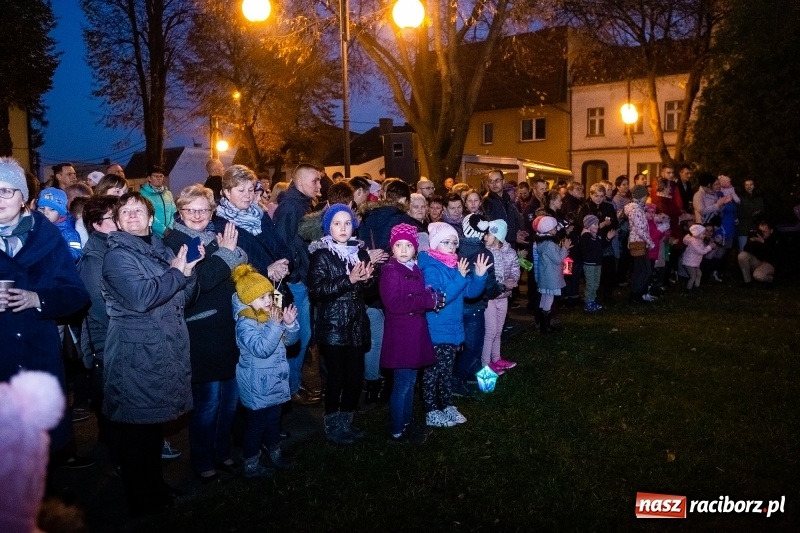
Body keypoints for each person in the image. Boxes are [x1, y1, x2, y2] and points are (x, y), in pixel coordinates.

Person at [101, 191, 202, 517]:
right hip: (136, 355)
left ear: (150, 218)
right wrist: (176, 274)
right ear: (117, 222)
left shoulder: (160, 250)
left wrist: (189, 273)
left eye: (138, 210)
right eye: (125, 211)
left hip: (163, 350)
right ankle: (141, 500)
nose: (132, 215)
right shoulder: (117, 257)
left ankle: (156, 487)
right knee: (137, 431)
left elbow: (182, 298)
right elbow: (142, 297)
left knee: (153, 429)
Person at [0, 157, 90, 468]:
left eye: (7, 191)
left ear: (23, 196)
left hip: (38, 360)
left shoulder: (46, 237)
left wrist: (37, 298)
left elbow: (77, 295)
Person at [163, 184, 247, 483]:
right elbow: (197, 283)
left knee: (229, 402)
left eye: (204, 209)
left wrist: (236, 255)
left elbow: (233, 271)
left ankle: (222, 451)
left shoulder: (215, 237)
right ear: (180, 212)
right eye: (191, 210)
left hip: (228, 330)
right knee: (207, 405)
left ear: (212, 211)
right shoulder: (174, 242)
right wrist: (227, 255)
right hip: (200, 333)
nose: (197, 215)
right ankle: (201, 459)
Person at [308, 205, 375, 445]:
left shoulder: (360, 252)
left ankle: (346, 422)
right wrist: (349, 280)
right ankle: (332, 423)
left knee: (355, 376)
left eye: (347, 223)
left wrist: (367, 281)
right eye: (337, 223)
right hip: (333, 325)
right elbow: (318, 291)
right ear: (328, 227)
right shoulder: (322, 255)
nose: (343, 228)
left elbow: (369, 292)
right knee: (336, 376)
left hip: (356, 324)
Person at [232, 264, 299, 477]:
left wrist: (289, 325)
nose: (269, 301)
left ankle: (275, 453)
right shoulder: (245, 323)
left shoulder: (270, 317)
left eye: (269, 295)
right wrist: (275, 325)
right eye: (262, 298)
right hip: (258, 385)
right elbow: (261, 349)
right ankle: (250, 462)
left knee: (273, 421)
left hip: (274, 381)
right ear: (248, 301)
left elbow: (289, 342)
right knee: (257, 426)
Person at [418, 222, 488, 428]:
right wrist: (459, 277)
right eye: (445, 242)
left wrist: (479, 276)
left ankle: (446, 404)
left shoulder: (453, 264)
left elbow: (469, 293)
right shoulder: (431, 266)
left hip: (452, 329)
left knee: (446, 371)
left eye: (454, 242)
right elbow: (440, 297)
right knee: (432, 372)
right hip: (436, 330)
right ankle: (431, 409)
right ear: (435, 244)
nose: (451, 246)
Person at [379, 224, 440, 444]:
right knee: (402, 384)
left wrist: (429, 298)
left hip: (415, 333)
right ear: (392, 248)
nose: (403, 249)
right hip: (402, 335)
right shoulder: (391, 271)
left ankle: (406, 423)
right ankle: (397, 429)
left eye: (408, 245)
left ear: (415, 248)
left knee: (410, 382)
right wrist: (425, 300)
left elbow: (420, 298)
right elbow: (394, 304)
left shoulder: (415, 269)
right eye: (398, 245)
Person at [76, 195, 122, 471]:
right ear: (96, 224)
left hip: (117, 338)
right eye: (113, 218)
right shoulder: (95, 259)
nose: (120, 221)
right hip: (108, 342)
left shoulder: (113, 248)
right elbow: (102, 308)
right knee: (114, 403)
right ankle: (118, 461)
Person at [273, 163, 322, 405]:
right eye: (315, 181)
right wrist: (296, 272)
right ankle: (290, 387)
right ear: (300, 182)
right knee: (298, 335)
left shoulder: (301, 205)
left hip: (301, 279)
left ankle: (293, 383)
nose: (320, 187)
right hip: (294, 282)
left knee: (304, 334)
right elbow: (282, 245)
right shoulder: (291, 207)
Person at [453, 214, 497, 397]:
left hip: (456, 305)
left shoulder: (454, 248)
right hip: (475, 307)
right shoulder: (485, 254)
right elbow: (489, 285)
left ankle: (471, 374)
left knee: (461, 344)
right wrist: (497, 290)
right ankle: (456, 380)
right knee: (474, 347)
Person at [482, 219, 519, 373]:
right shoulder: (485, 252)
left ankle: (496, 359)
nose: (485, 236)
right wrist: (503, 282)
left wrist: (513, 279)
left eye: (488, 233)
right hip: (490, 298)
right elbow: (487, 276)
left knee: (498, 330)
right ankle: (485, 364)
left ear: (498, 235)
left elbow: (515, 268)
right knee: (490, 331)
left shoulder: (509, 252)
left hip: (503, 297)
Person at [532, 215, 570, 332]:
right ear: (549, 229)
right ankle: (546, 327)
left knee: (544, 299)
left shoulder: (541, 242)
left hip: (546, 275)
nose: (556, 229)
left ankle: (544, 324)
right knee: (548, 299)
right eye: (554, 227)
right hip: (550, 276)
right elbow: (558, 259)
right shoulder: (549, 243)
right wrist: (565, 249)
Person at [625, 186, 656, 303]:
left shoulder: (637, 209)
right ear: (642, 196)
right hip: (639, 242)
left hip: (637, 241)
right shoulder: (636, 210)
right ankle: (635, 295)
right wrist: (650, 242)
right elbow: (640, 229)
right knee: (644, 270)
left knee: (641, 270)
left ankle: (638, 294)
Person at [579, 215, 615, 312]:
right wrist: (596, 238)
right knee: (590, 284)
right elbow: (590, 248)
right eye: (594, 224)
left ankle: (592, 300)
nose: (597, 226)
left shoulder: (596, 236)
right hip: (589, 264)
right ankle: (588, 303)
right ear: (588, 226)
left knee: (595, 283)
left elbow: (601, 246)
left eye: (597, 224)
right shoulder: (586, 236)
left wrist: (608, 238)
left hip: (597, 263)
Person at [37, 187, 82, 262]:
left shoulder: (69, 232)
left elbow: (75, 253)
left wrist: (55, 257)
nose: (45, 212)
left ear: (61, 212)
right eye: (41, 208)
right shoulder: (36, 227)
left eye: (52, 209)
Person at [738, 220, 779, 287]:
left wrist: (763, 242)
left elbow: (774, 254)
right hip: (758, 261)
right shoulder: (757, 236)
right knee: (742, 255)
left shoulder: (775, 238)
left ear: (771, 231)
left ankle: (770, 279)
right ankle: (747, 282)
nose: (762, 233)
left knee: (758, 276)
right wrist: (751, 241)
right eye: (761, 231)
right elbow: (746, 250)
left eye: (765, 232)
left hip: (770, 264)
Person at [139, 165, 177, 238]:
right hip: (153, 234)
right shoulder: (143, 194)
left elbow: (173, 211)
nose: (159, 178)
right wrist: (163, 230)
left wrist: (170, 227)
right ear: (149, 178)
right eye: (156, 176)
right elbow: (146, 214)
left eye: (161, 176)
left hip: (170, 232)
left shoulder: (168, 193)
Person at [682, 224, 716, 293]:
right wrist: (710, 247)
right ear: (697, 234)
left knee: (699, 274)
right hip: (689, 262)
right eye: (703, 234)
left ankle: (696, 286)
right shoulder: (693, 242)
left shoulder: (699, 240)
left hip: (694, 262)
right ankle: (689, 289)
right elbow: (701, 251)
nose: (704, 235)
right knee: (693, 275)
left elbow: (702, 249)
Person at [736, 179, 765, 251]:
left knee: (755, 251)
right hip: (743, 229)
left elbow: (762, 211)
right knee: (743, 251)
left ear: (754, 186)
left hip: (755, 228)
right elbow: (739, 213)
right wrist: (752, 214)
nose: (749, 186)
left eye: (751, 184)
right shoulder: (740, 198)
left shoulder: (759, 198)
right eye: (746, 184)